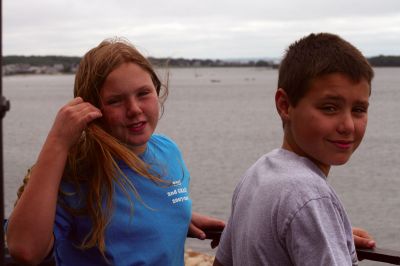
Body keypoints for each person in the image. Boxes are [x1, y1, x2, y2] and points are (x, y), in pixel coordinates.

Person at [6, 38, 224, 266]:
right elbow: (25, 249)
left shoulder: (167, 150)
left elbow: (136, 213)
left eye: (143, 93)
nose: (134, 109)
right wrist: (58, 142)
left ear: (157, 91)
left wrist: (177, 217)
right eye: (115, 101)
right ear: (91, 109)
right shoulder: (77, 172)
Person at [214, 33, 376, 266]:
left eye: (359, 109)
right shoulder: (309, 195)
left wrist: (330, 234)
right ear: (285, 105)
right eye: (329, 108)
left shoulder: (258, 173)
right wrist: (319, 225)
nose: (348, 125)